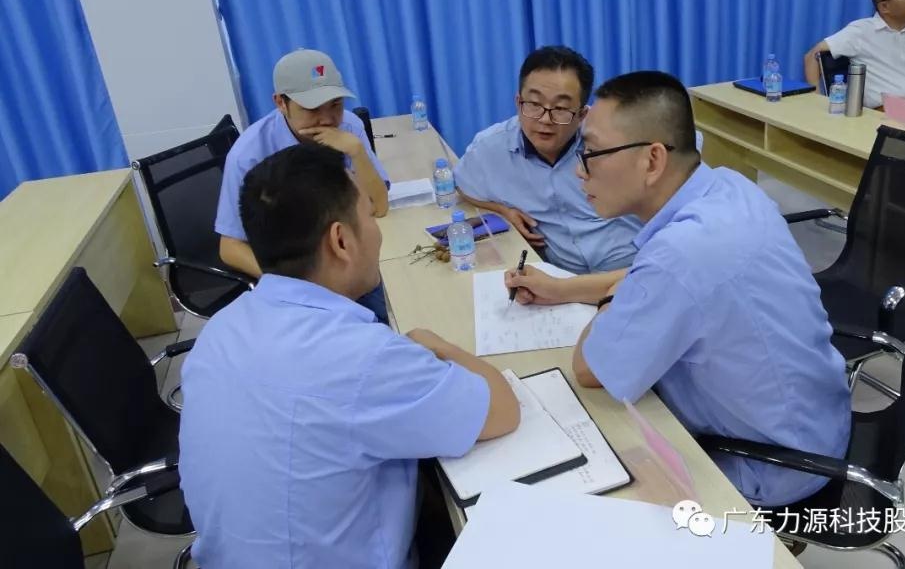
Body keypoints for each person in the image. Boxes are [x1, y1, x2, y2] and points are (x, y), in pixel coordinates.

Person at [504, 71, 851, 508]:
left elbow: (590, 370)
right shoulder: (727, 186)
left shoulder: (680, 254)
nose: (579, 170)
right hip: (821, 423)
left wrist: (612, 296)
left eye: (590, 153)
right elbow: (650, 278)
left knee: (575, 478)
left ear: (652, 160)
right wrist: (565, 288)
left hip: (772, 464)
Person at [181, 143, 520, 568]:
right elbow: (502, 410)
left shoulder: (219, 331)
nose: (377, 230)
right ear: (341, 241)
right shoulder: (365, 358)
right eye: (368, 215)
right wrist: (438, 345)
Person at [215, 48, 392, 322]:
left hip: (344, 254)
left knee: (396, 311)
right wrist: (297, 285)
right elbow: (229, 247)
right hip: (296, 271)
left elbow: (379, 206)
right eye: (312, 108)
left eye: (335, 104)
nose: (327, 119)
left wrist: (357, 152)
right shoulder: (248, 155)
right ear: (280, 103)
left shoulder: (349, 128)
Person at [454, 46, 640, 274]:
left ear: (583, 114)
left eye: (561, 108)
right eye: (534, 104)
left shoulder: (617, 139)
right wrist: (502, 210)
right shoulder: (491, 148)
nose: (545, 119)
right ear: (518, 102)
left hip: (635, 268)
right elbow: (463, 183)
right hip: (561, 280)